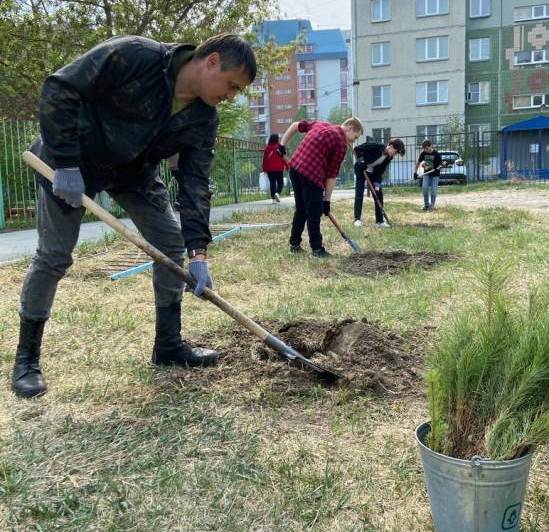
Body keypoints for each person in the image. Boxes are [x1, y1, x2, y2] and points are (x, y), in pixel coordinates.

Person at [12, 33, 257, 398]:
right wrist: (64, 161)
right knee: (54, 256)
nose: (230, 96)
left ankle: (168, 345)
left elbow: (195, 185)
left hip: (131, 173)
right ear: (212, 61)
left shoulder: (203, 120)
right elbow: (60, 88)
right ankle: (26, 359)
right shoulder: (136, 56)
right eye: (232, 85)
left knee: (171, 244)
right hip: (70, 163)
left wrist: (198, 252)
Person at [280, 117, 363, 257]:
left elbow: (295, 125)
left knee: (301, 209)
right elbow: (331, 176)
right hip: (311, 174)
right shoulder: (341, 144)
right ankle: (317, 249)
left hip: (295, 168)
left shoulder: (320, 124)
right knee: (313, 213)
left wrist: (282, 144)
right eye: (354, 138)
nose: (352, 142)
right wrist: (326, 201)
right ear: (349, 127)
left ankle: (294, 244)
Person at [353, 137, 405, 227]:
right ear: (391, 146)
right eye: (396, 152)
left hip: (373, 174)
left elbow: (380, 170)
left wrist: (377, 183)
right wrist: (361, 161)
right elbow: (357, 149)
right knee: (359, 193)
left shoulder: (389, 157)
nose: (395, 154)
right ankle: (357, 219)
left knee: (379, 195)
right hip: (362, 170)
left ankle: (380, 221)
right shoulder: (376, 146)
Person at [414, 139, 443, 211]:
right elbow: (418, 163)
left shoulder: (436, 154)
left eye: (426, 148)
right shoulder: (423, 153)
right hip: (426, 174)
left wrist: (438, 168)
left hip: (435, 175)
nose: (425, 150)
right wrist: (415, 173)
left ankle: (432, 206)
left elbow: (441, 165)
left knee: (433, 190)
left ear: (430, 146)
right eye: (424, 149)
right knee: (424, 188)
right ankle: (426, 205)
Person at [261, 133, 289, 203]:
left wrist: (264, 168)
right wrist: (287, 166)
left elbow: (265, 159)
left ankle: (273, 199)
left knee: (272, 183)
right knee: (280, 182)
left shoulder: (267, 148)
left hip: (269, 169)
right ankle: (277, 193)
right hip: (279, 168)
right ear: (277, 139)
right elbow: (284, 158)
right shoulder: (280, 148)